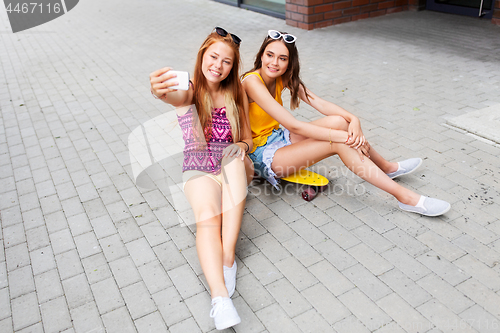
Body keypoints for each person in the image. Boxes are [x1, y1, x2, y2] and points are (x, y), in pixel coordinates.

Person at [241, 30, 450, 217]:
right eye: (270, 55)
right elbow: (294, 126)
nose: (274, 63)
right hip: (261, 154)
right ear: (261, 55)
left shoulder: (280, 77)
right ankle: (406, 199)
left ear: (289, 62)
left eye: (282, 58)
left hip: (278, 138)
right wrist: (344, 137)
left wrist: (354, 120)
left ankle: (386, 168)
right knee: (340, 142)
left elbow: (319, 103)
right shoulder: (252, 82)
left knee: (339, 122)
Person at [150, 27, 253, 330]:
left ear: (233, 67)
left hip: (230, 166)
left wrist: (242, 146)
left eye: (227, 62)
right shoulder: (192, 90)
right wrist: (157, 89)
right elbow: (172, 95)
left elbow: (247, 138)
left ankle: (228, 257)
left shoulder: (237, 93)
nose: (218, 66)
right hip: (197, 168)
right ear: (202, 56)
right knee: (207, 218)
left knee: (233, 160)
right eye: (213, 57)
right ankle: (219, 299)